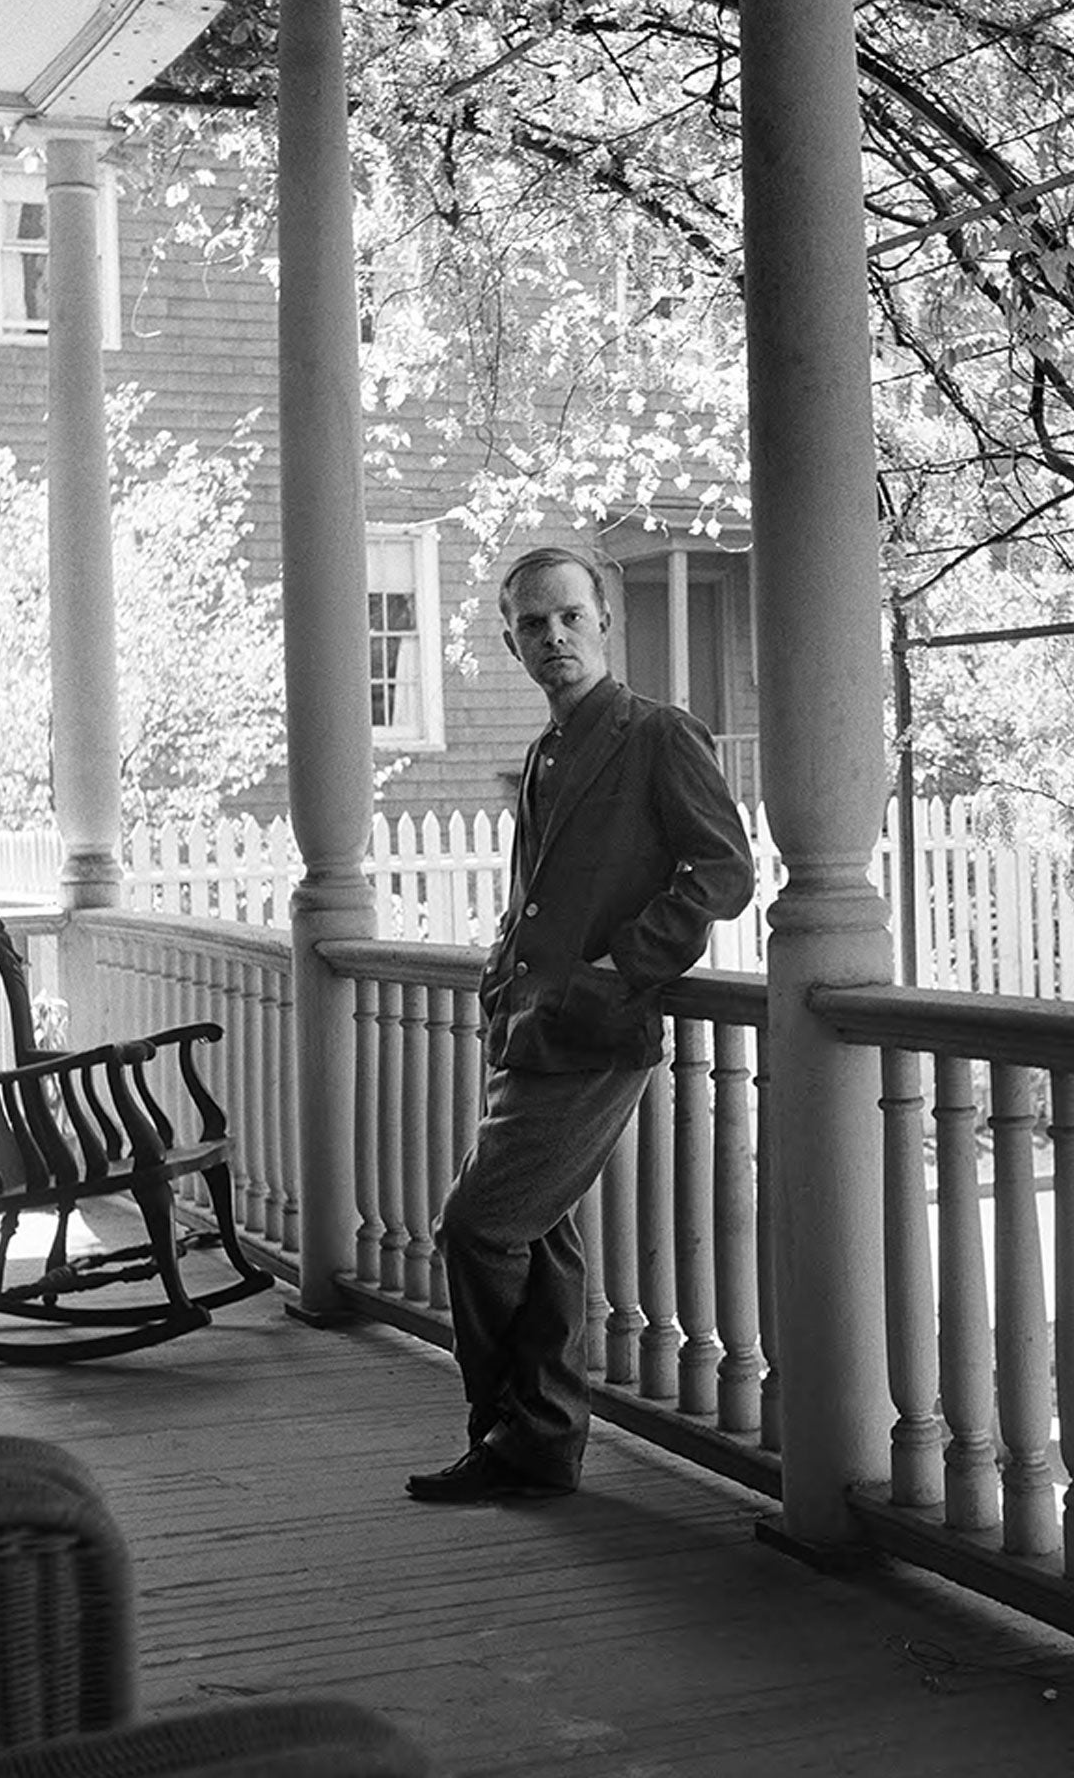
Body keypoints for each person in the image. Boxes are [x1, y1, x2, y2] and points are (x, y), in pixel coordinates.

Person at [406, 545, 755, 1502]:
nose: (552, 636)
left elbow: (723, 872)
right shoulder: (544, 750)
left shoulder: (657, 734)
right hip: (524, 1023)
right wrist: (500, 976)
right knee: (541, 1237)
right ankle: (547, 1442)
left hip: (596, 1032)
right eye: (531, 623)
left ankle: (505, 1425)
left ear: (604, 620)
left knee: (477, 1228)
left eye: (568, 616)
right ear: (514, 642)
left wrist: (617, 971)